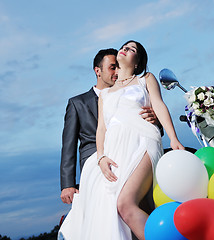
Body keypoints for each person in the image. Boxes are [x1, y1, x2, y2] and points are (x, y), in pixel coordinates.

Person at [58, 40, 184, 240]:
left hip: (142, 141)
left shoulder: (146, 79)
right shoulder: (98, 97)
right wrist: (100, 158)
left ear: (137, 63)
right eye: (124, 47)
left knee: (125, 203)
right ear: (97, 70)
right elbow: (97, 131)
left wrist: (173, 137)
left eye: (131, 49)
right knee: (109, 207)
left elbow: (158, 107)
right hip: (112, 152)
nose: (125, 50)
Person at [60, 48, 159, 204]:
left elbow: (151, 129)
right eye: (112, 67)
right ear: (97, 71)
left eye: (118, 67)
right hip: (96, 158)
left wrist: (155, 120)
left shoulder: (133, 93)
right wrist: (68, 184)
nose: (117, 71)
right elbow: (68, 146)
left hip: (130, 151)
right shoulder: (78, 103)